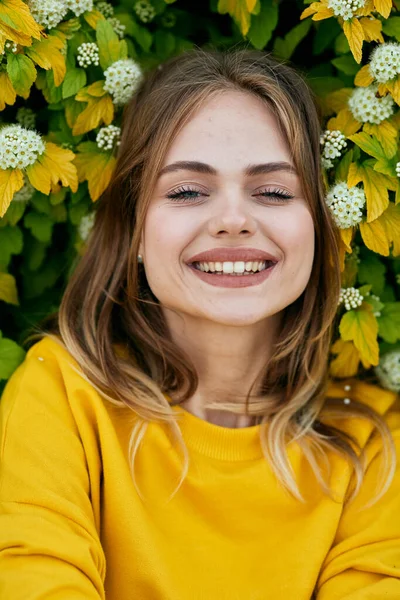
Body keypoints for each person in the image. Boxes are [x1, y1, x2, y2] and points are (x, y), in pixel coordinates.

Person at [0, 47, 399, 599]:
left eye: (274, 192)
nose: (234, 220)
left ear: (319, 227)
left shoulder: (376, 442)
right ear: (135, 229)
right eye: (187, 191)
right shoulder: (64, 397)